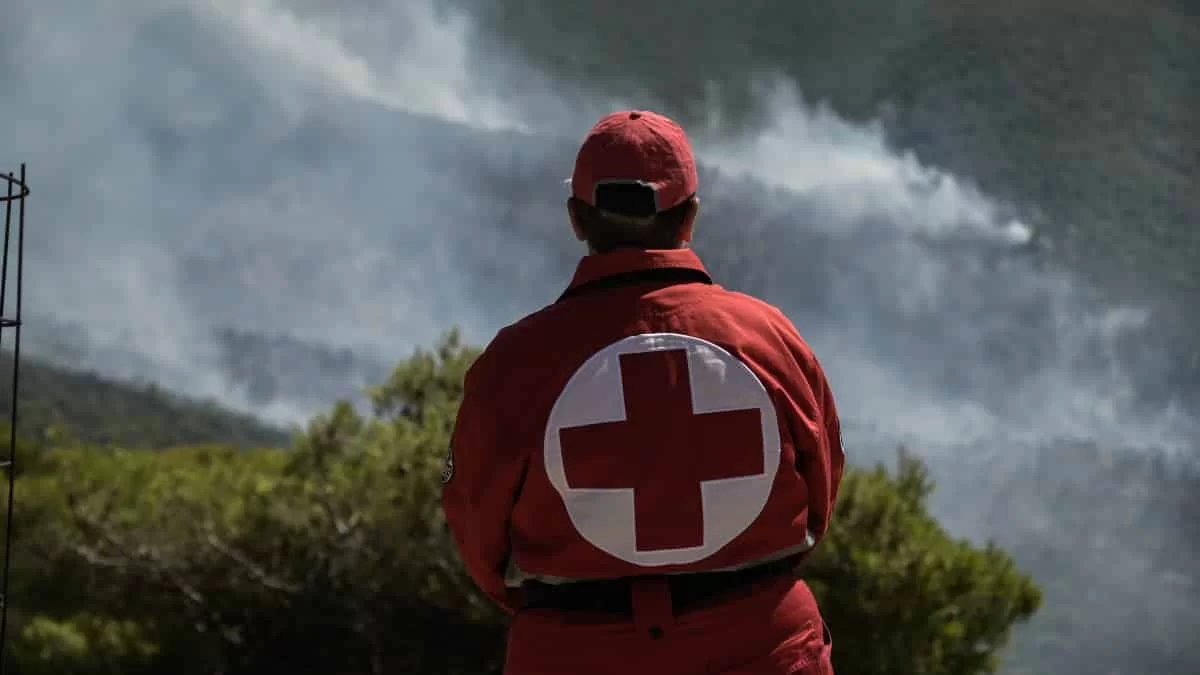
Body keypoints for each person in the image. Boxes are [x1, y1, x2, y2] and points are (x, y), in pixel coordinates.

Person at [441, 109, 846, 675]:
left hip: (575, 655)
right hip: (762, 650)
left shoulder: (514, 364)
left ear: (576, 220)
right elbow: (821, 494)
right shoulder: (770, 339)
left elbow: (478, 527)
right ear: (691, 218)